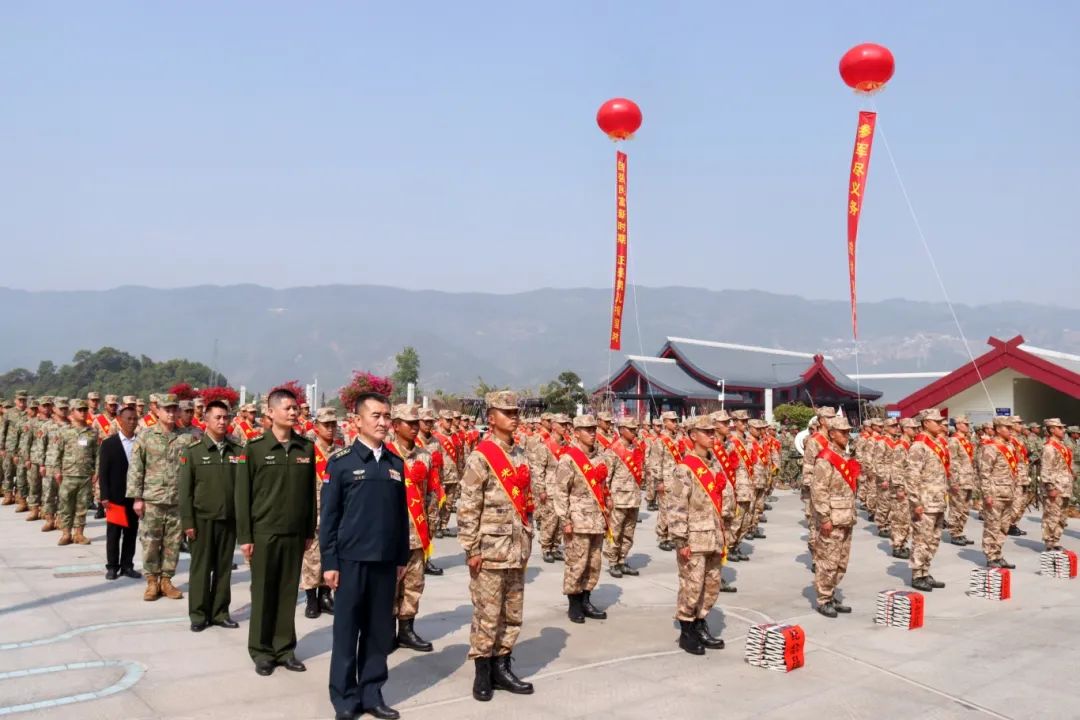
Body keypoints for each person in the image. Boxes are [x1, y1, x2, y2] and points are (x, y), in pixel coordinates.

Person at [321, 392, 408, 720]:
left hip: (385, 563)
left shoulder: (394, 464)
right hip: (350, 562)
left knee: (378, 632)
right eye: (376, 416)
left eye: (387, 416)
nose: (384, 422)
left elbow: (401, 517)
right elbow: (329, 518)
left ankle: (372, 693)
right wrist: (330, 561)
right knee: (346, 631)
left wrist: (401, 557)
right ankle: (344, 697)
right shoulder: (341, 463)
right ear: (357, 420)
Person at [458, 390, 534, 702]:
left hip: (516, 549)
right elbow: (468, 506)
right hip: (490, 550)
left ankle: (503, 666)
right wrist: (471, 549)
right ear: (491, 418)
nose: (514, 417)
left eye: (516, 412)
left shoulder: (520, 454)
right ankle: (482, 672)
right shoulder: (481, 456)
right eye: (507, 412)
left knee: (512, 613)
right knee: (487, 615)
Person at [236, 388, 316, 677]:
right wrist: (245, 537)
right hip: (264, 533)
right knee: (263, 591)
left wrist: (309, 529)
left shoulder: (305, 448)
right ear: (270, 413)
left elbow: (310, 495)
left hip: (294, 533)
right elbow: (242, 496)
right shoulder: (255, 449)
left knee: (287, 592)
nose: (294, 412)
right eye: (287, 408)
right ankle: (261, 651)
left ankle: (284, 649)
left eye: (296, 408)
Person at [669, 415, 733, 653]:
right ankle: (687, 631)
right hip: (694, 538)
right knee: (692, 586)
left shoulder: (715, 465)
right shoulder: (684, 469)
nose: (712, 436)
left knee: (711, 585)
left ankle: (700, 622)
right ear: (693, 436)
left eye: (713, 432)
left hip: (714, 536)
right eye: (707, 432)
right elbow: (676, 506)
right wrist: (681, 540)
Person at [179, 399, 241, 632]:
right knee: (201, 569)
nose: (223, 422)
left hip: (228, 519)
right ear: (206, 419)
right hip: (202, 520)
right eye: (218, 417)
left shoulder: (237, 450)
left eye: (226, 417)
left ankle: (220, 612)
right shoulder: (194, 452)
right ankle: (198, 614)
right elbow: (185, 491)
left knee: (223, 569)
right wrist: (188, 522)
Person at [384, 404, 438, 652]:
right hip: (389, 535)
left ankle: (406, 630)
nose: (415, 426)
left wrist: (431, 525)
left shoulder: (424, 456)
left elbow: (430, 495)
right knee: (387, 586)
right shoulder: (384, 454)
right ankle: (385, 633)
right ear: (395, 425)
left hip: (416, 533)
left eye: (417, 422)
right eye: (409, 422)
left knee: (414, 584)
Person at [126, 393, 188, 602]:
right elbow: (136, 467)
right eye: (166, 409)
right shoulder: (145, 435)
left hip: (177, 499)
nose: (170, 413)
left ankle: (167, 580)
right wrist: (136, 498)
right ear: (157, 411)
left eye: (174, 409)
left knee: (173, 543)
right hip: (152, 499)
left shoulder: (186, 437)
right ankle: (152, 581)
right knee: (150, 542)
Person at [553, 414, 610, 624]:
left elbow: (604, 487)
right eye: (587, 429)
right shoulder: (569, 459)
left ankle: (586, 599)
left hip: (597, 520)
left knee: (594, 564)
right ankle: (574, 604)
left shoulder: (599, 457)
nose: (592, 433)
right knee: (577, 563)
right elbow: (560, 492)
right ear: (576, 433)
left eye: (594, 429)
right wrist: (565, 520)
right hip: (577, 521)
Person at [810, 416, 858, 617]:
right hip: (833, 518)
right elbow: (818, 490)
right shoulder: (825, 459)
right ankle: (823, 598)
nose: (847, 436)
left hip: (846, 516)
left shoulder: (845, 457)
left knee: (841, 562)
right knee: (827, 561)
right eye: (843, 432)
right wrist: (825, 518)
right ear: (832, 433)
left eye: (848, 432)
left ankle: (831, 593)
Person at [905, 409, 949, 592]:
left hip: (937, 500)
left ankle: (925, 570)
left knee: (934, 539)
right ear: (925, 423)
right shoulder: (919, 446)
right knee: (922, 540)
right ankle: (917, 575)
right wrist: (916, 503)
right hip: (925, 502)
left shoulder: (935, 443)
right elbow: (912, 477)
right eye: (935, 421)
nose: (940, 424)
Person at [301, 406, 338, 620]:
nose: (331, 429)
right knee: (311, 559)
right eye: (326, 425)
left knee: (329, 556)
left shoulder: (341, 451)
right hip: (313, 513)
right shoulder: (308, 450)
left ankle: (326, 595)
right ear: (316, 427)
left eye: (333, 424)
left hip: (334, 515)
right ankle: (311, 600)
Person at [99, 404, 142, 580]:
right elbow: (103, 471)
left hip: (134, 497)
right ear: (119, 421)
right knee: (114, 534)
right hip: (115, 497)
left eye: (134, 419)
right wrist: (104, 496)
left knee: (131, 534)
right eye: (128, 419)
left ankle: (127, 565)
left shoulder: (141, 442)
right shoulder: (109, 443)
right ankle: (112, 566)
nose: (132, 422)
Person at [52, 398, 99, 546]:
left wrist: (97, 471)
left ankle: (79, 534)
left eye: (85, 410)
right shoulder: (65, 431)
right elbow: (57, 453)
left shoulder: (92, 432)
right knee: (66, 505)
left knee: (82, 506)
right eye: (80, 410)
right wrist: (57, 471)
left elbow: (97, 454)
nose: (83, 413)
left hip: (85, 474)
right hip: (68, 474)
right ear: (72, 412)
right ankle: (66, 533)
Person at [603, 416, 645, 577]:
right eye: (631, 429)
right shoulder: (613, 451)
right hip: (618, 500)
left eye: (635, 429)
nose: (635, 432)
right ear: (621, 430)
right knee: (616, 531)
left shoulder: (636, 449)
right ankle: (613, 562)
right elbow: (606, 478)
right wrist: (608, 499)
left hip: (633, 498)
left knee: (629, 533)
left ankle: (622, 560)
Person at [977, 417, 1020, 569]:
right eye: (1007, 427)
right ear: (998, 429)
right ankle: (990, 556)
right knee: (992, 526)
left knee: (1004, 526)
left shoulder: (1009, 447)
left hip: (1008, 492)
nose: (1010, 430)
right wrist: (987, 494)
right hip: (995, 494)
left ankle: (998, 554)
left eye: (1010, 427)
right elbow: (984, 473)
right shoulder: (990, 447)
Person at [1040, 418, 1074, 551]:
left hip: (1064, 487)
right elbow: (1046, 469)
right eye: (1060, 428)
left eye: (1063, 428)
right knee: (1051, 516)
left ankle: (1056, 540)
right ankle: (1049, 542)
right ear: (1052, 430)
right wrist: (1050, 488)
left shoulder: (1062, 446)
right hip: (1055, 488)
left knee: (1061, 517)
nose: (1063, 430)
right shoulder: (1049, 447)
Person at [946, 416, 977, 546]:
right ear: (958, 425)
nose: (967, 426)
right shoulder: (954, 440)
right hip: (959, 480)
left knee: (964, 509)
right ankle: (954, 533)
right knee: (956, 508)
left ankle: (960, 531)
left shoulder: (965, 440)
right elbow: (951, 462)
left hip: (968, 479)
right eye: (965, 424)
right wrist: (953, 482)